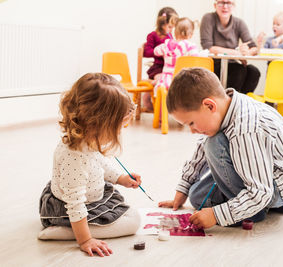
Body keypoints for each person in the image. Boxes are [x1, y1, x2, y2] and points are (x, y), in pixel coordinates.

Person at [159, 68, 283, 229]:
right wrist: (183, 190)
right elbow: (200, 153)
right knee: (197, 197)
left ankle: (257, 210)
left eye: (191, 123)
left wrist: (217, 215)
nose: (192, 130)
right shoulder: (226, 106)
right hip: (262, 174)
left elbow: (261, 192)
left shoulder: (245, 129)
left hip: (277, 185)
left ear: (209, 106)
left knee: (213, 143)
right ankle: (253, 206)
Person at [39, 73, 142, 257]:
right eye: (118, 127)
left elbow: (100, 163)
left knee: (125, 210)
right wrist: (85, 240)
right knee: (133, 222)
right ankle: (68, 232)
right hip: (69, 208)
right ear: (99, 123)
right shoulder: (75, 157)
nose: (120, 132)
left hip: (87, 197)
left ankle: (75, 228)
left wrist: (120, 179)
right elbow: (75, 203)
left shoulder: (87, 139)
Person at [200, 0, 260, 94]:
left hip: (233, 63)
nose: (225, 6)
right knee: (239, 70)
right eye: (221, 3)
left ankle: (241, 101)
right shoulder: (208, 18)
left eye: (228, 3)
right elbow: (208, 47)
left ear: (233, 6)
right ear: (215, 5)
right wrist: (237, 53)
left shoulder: (239, 23)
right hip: (215, 64)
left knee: (254, 72)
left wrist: (247, 52)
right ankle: (228, 101)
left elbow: (254, 47)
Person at [142, 7, 178, 111]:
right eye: (170, 27)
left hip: (169, 68)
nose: (172, 30)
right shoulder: (152, 35)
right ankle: (153, 83)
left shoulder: (170, 37)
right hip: (158, 68)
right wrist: (160, 51)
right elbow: (147, 51)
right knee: (159, 84)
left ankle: (170, 107)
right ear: (162, 23)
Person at [153, 17, 199, 91]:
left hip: (165, 83)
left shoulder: (167, 44)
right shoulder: (190, 46)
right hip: (182, 83)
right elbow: (196, 60)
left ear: (175, 32)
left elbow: (156, 51)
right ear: (190, 34)